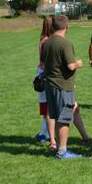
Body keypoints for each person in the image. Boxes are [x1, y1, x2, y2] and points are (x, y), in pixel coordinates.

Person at [42, 15, 86, 159]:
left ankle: (57, 147)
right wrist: (78, 63)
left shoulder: (46, 43)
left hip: (50, 84)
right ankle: (62, 151)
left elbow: (43, 62)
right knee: (64, 119)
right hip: (63, 86)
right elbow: (70, 66)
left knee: (55, 116)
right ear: (67, 26)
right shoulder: (65, 43)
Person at [35, 16, 54, 145]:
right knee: (47, 106)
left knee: (46, 106)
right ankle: (44, 134)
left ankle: (44, 133)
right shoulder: (47, 41)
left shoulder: (44, 39)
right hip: (45, 74)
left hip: (42, 72)